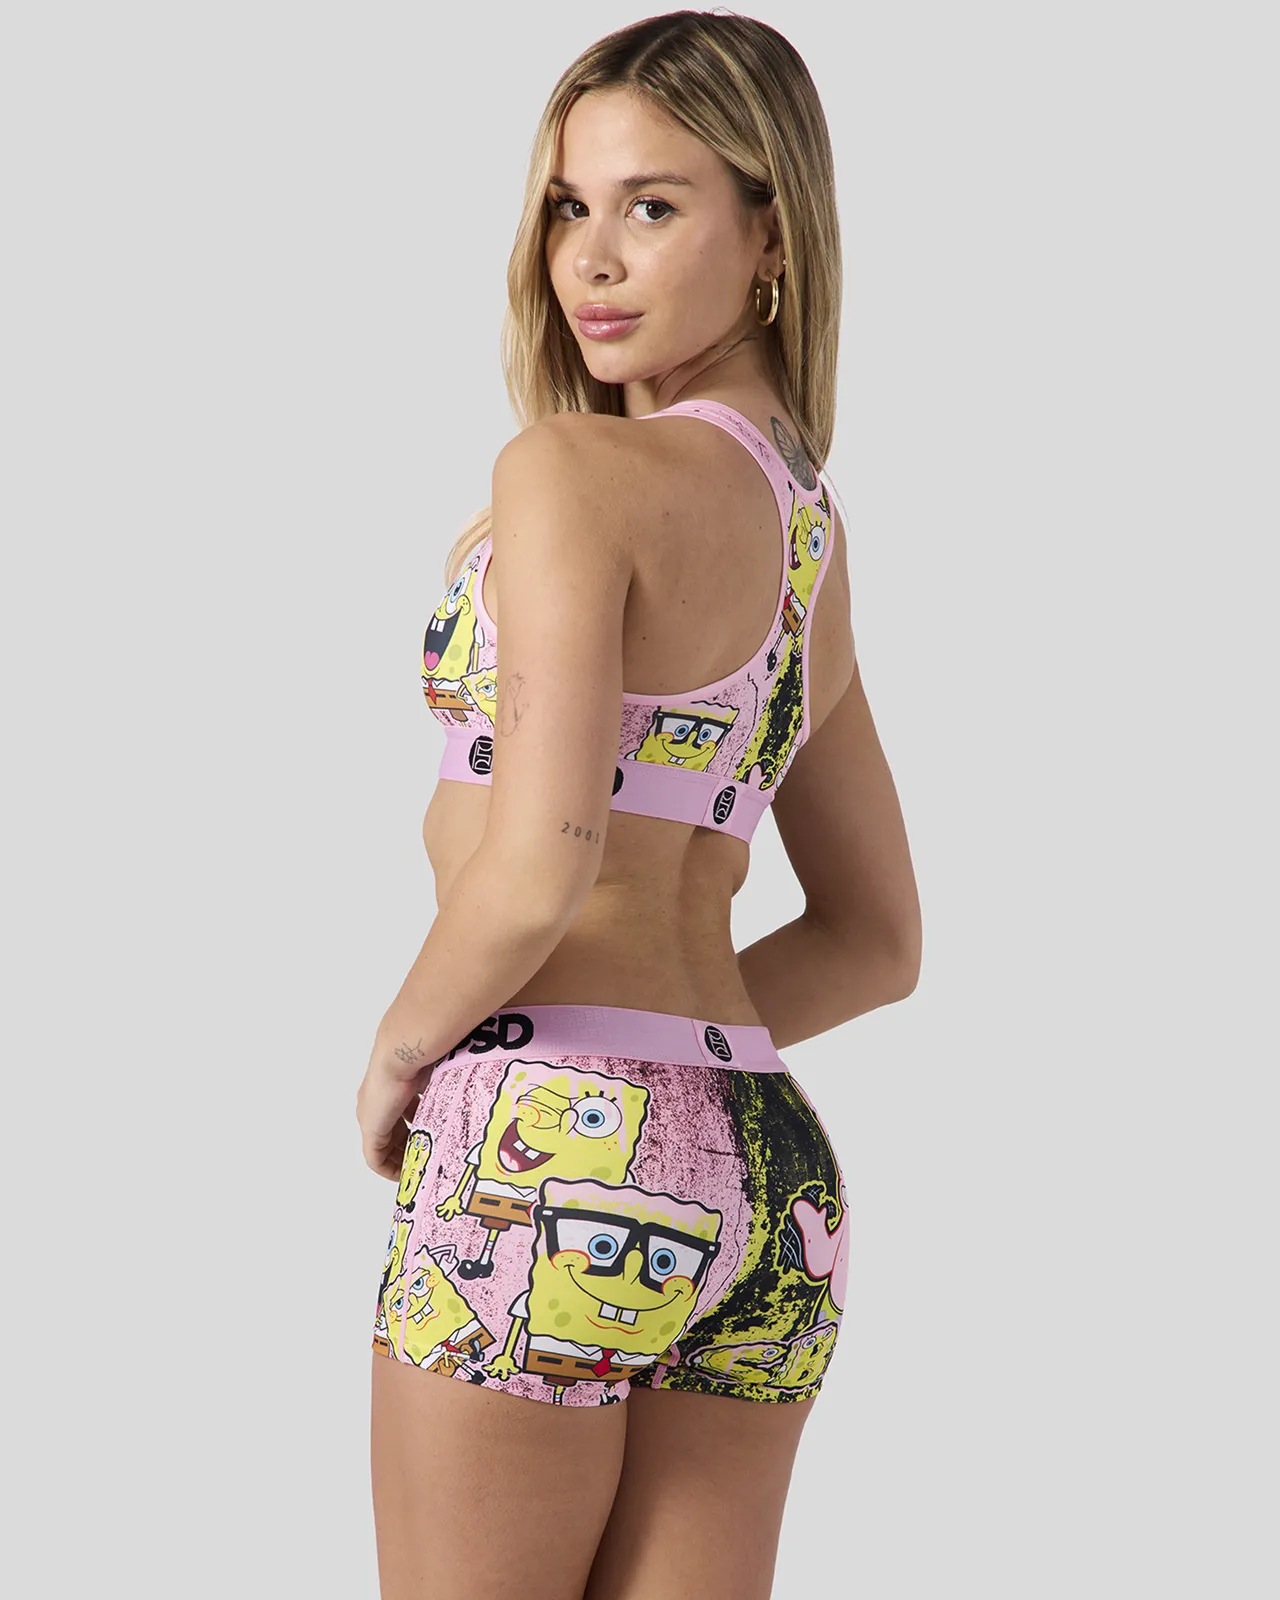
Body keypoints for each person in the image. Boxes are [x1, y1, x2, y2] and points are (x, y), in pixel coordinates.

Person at [356, 12, 921, 1599]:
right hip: (764, 1168)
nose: (590, 260)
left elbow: (541, 861)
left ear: (771, 236)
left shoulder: (567, 474)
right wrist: (672, 1070)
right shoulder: (808, 542)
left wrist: (406, 1058)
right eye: (567, 208)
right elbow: (879, 941)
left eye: (652, 206)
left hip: (542, 1141)